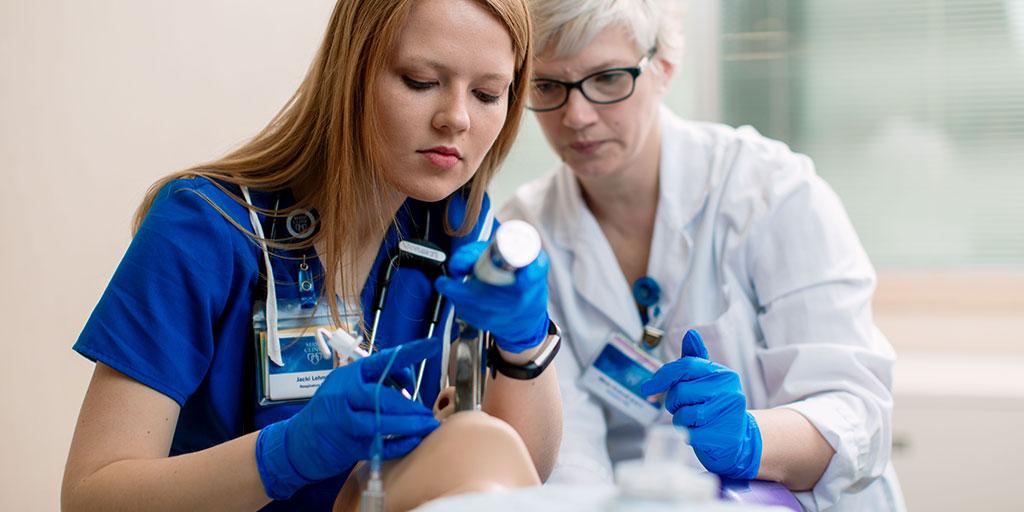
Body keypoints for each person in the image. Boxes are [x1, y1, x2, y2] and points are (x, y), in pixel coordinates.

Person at [61, 0, 563, 510]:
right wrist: (285, 455)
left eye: (487, 94)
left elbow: (523, 474)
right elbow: (90, 497)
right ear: (351, 71)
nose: (456, 118)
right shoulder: (203, 228)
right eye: (420, 81)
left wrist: (524, 348)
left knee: (483, 448)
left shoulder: (458, 234)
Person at [500, 0, 904, 510]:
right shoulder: (525, 235)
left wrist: (752, 439)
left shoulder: (771, 190)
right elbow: (567, 453)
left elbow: (857, 413)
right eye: (547, 86)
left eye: (607, 78)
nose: (576, 115)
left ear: (664, 68)